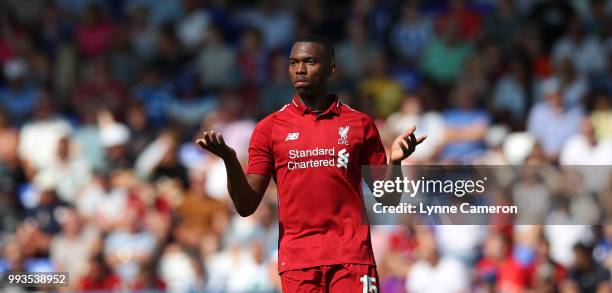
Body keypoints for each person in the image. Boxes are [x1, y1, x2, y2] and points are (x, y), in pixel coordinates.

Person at [195, 35, 426, 292]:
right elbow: (246, 206)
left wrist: (395, 162)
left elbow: (389, 199)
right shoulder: (268, 129)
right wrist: (229, 160)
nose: (300, 69)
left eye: (310, 61)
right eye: (294, 63)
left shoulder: (360, 124)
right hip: (298, 262)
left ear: (332, 68)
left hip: (352, 257)